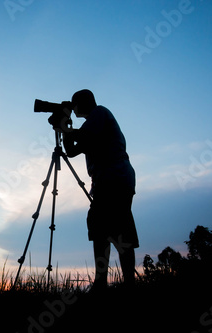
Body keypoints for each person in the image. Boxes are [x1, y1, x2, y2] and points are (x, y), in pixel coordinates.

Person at [62, 89, 139, 291]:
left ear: (82, 103)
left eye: (73, 104)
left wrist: (68, 128)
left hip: (115, 177)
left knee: (113, 228)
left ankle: (112, 283)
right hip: (110, 179)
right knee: (104, 228)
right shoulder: (92, 124)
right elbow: (71, 152)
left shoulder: (100, 114)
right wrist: (65, 129)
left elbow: (84, 135)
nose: (73, 107)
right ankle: (106, 283)